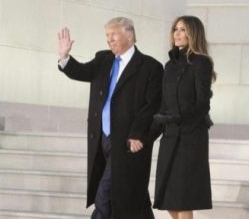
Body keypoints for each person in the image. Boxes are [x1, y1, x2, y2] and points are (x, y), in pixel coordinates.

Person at [57, 17, 163, 219]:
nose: (109, 39)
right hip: (101, 139)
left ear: (129, 35)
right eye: (107, 35)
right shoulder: (103, 59)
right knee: (130, 196)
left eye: (113, 34)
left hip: (127, 141)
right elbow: (81, 71)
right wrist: (64, 57)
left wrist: (138, 134)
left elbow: (153, 106)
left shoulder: (150, 67)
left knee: (105, 195)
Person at [152, 15, 216, 219]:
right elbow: (164, 101)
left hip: (190, 138)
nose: (177, 34)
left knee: (183, 199)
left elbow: (203, 104)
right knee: (168, 199)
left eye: (182, 30)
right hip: (170, 136)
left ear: (193, 33)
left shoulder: (201, 62)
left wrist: (177, 117)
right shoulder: (169, 65)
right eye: (175, 29)